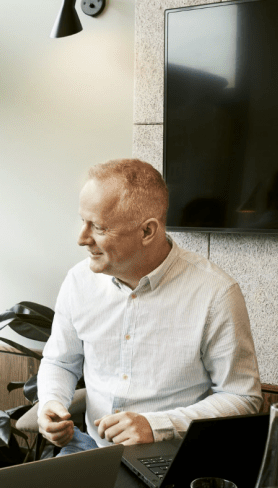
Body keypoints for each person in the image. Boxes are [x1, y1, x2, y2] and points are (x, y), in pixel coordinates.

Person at [36, 159, 262, 454]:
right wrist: (52, 401)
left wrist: (157, 426)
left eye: (99, 227)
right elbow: (60, 361)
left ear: (147, 231)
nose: (81, 239)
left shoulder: (216, 293)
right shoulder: (78, 281)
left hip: (173, 455)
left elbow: (242, 397)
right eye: (83, 221)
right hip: (89, 449)